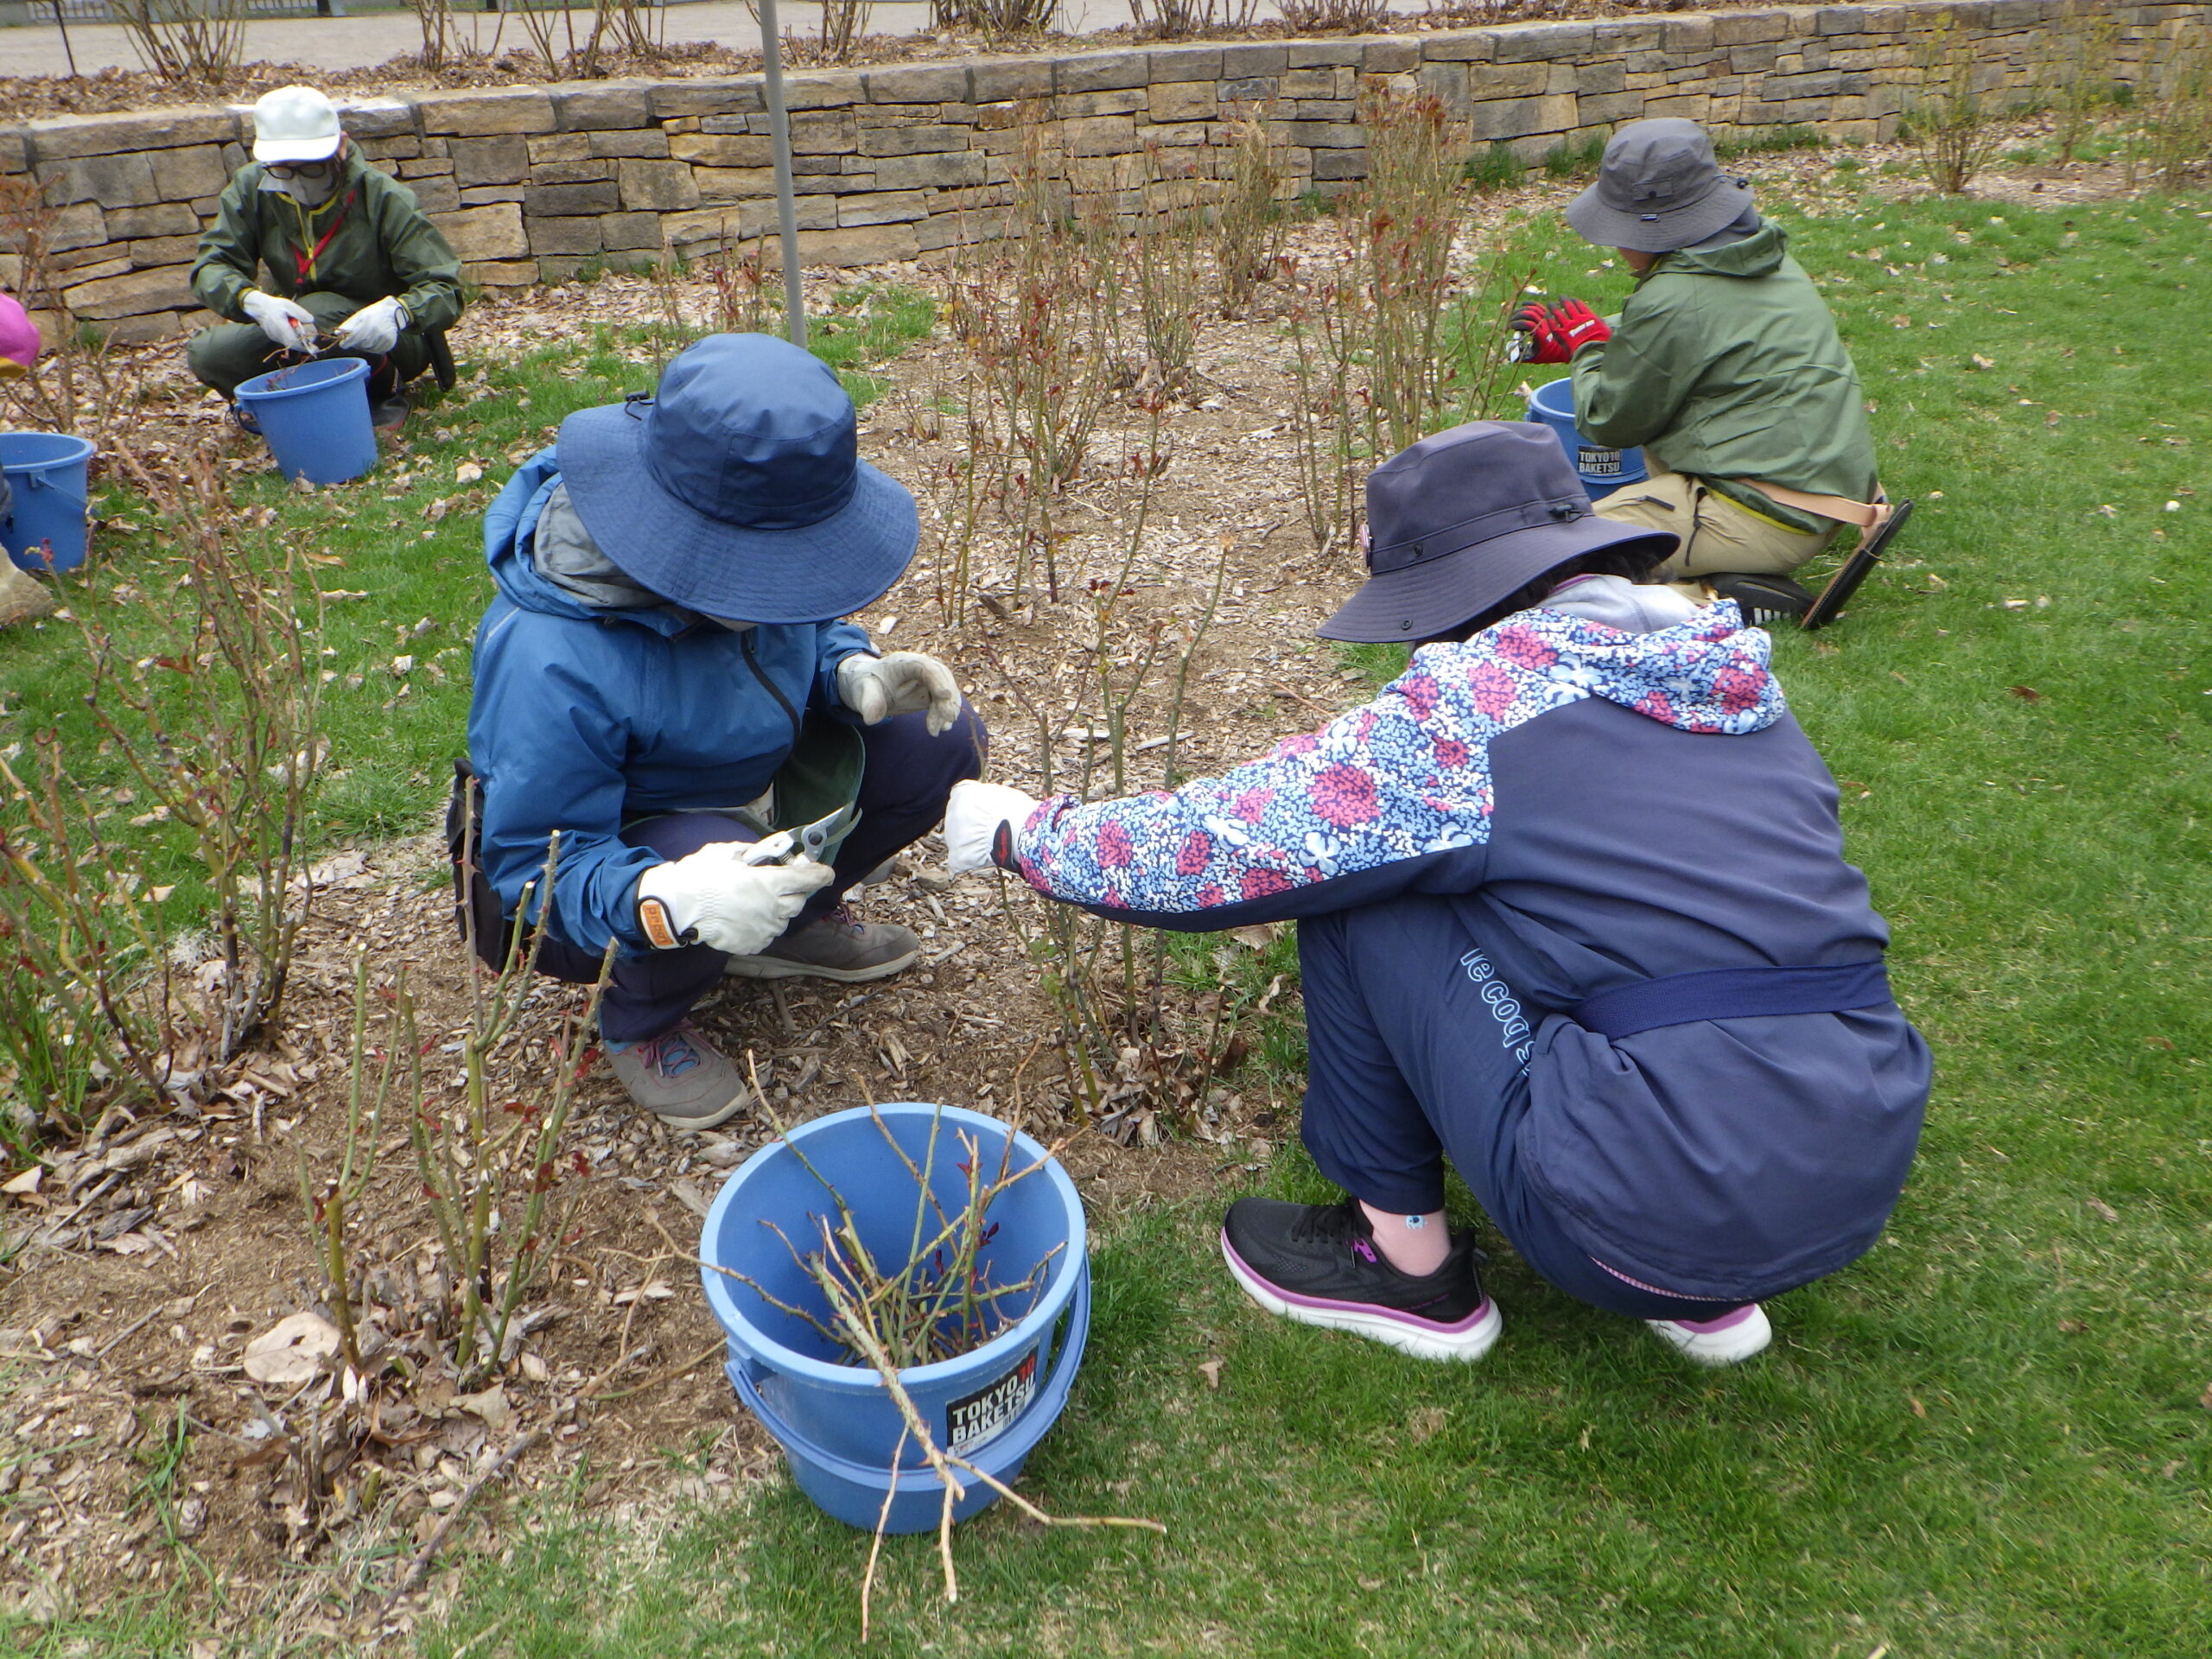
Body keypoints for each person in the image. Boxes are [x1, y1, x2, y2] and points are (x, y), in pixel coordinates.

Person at [942, 422, 1929, 1367]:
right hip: (1854, 1155)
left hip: (1637, 1206)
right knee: (1631, 937)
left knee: (1362, 890)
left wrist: (1023, 833)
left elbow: (1224, 845)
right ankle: (1708, 1294)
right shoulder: (1719, 675)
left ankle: (1404, 1269)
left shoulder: (1473, 712)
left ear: (1455, 593)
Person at [462, 333, 986, 1129]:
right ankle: (639, 1021)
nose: (784, 585)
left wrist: (852, 674)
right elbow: (536, 869)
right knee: (703, 853)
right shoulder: (553, 655)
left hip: (748, 784)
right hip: (615, 858)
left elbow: (801, 629)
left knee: (941, 744)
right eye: (760, 568)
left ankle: (788, 924)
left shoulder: (749, 548)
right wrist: (667, 900)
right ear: (673, 536)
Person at [1513, 118, 1883, 616]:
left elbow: (1609, 422)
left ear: (1654, 226)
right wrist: (1598, 333)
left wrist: (1588, 349)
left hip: (1759, 514)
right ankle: (1718, 570)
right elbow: (1691, 326)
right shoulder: (1755, 254)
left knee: (1546, 560)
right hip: (1827, 497)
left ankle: (1717, 596)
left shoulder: (1675, 296)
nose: (1614, 243)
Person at [188, 86, 463, 432]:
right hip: (303, 327)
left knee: (319, 309)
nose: (299, 181)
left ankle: (380, 392)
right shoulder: (252, 189)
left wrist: (401, 312)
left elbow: (446, 288)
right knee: (210, 354)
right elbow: (211, 266)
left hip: (393, 338)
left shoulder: (383, 197)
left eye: (312, 169)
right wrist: (253, 301)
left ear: (341, 146)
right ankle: (294, 400)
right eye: (284, 170)